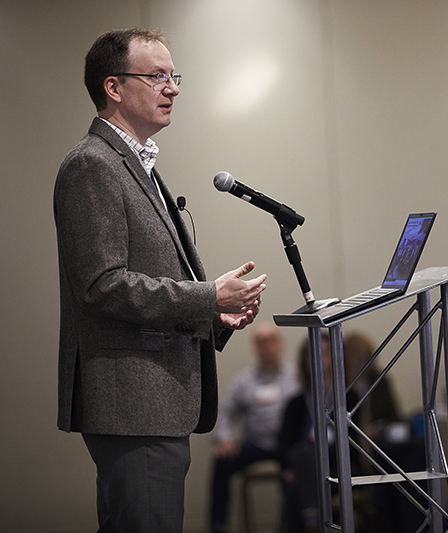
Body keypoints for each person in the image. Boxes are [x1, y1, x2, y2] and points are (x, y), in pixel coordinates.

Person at [53, 29, 266, 532]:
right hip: (133, 399)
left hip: (153, 400)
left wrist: (214, 312)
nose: (172, 87)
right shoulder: (93, 163)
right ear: (114, 87)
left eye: (174, 76)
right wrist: (205, 295)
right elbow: (102, 284)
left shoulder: (135, 164)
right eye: (157, 76)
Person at [209, 324, 299, 533]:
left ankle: (292, 525)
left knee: (302, 465)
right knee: (221, 461)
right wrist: (224, 439)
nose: (266, 346)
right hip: (255, 446)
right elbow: (224, 412)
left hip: (286, 446)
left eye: (271, 340)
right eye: (261, 342)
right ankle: (217, 525)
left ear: (280, 344)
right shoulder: (244, 380)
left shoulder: (295, 377)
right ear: (255, 347)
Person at [278, 335, 361, 533]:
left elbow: (353, 445)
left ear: (334, 358)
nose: (319, 360)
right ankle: (316, 524)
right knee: (301, 459)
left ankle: (313, 524)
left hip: (340, 467)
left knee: (300, 480)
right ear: (304, 361)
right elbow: (283, 444)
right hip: (303, 466)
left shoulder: (348, 397)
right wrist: (289, 466)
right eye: (312, 355)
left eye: (324, 354)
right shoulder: (296, 403)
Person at [343, 330, 400, 437]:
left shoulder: (379, 382)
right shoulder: (339, 386)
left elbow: (394, 417)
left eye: (367, 358)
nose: (363, 364)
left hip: (378, 442)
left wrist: (381, 427)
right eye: (358, 359)